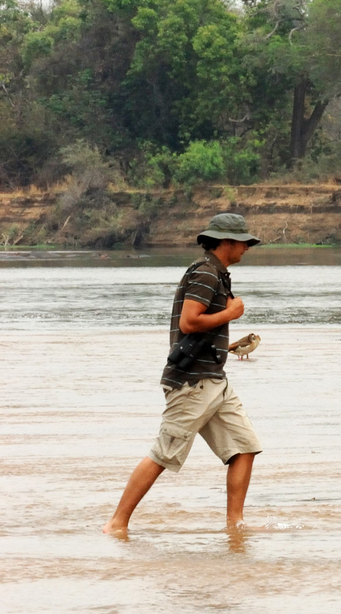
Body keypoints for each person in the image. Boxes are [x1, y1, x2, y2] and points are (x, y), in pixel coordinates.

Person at [103, 213, 264, 536]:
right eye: (243, 242)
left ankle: (235, 525)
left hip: (214, 379)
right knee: (164, 453)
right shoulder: (205, 274)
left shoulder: (217, 273)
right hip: (192, 381)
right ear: (226, 242)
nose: (246, 248)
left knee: (245, 447)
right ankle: (116, 524)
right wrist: (231, 312)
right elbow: (189, 323)